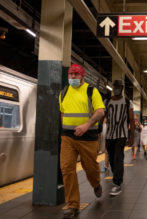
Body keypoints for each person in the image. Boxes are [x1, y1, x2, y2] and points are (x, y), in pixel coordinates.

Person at [59, 64, 105, 219]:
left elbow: (100, 111)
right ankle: (72, 205)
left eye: (76, 75)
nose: (72, 77)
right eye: (70, 74)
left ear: (82, 76)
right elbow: (63, 113)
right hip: (67, 137)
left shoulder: (92, 91)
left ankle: (96, 183)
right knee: (66, 168)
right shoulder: (63, 92)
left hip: (88, 138)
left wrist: (87, 125)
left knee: (90, 168)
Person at [104, 79, 134, 196]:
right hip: (109, 135)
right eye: (115, 86)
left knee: (118, 158)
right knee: (111, 158)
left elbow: (131, 120)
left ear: (122, 88)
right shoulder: (106, 101)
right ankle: (116, 175)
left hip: (121, 135)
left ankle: (117, 183)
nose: (116, 88)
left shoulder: (127, 102)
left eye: (119, 86)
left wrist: (131, 136)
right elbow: (102, 116)